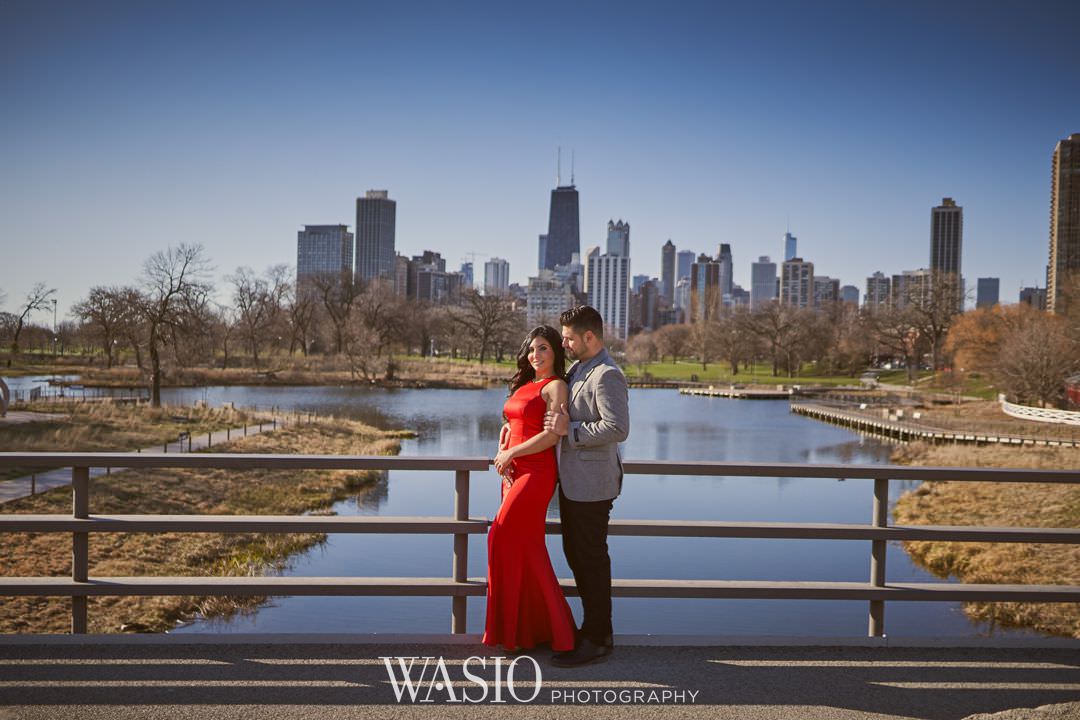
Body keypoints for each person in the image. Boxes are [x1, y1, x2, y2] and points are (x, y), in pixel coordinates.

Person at [544, 305, 629, 668]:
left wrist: (571, 433)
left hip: (593, 487)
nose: (563, 344)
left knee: (591, 561)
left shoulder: (607, 375)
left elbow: (618, 428)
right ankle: (592, 629)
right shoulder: (581, 368)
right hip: (575, 484)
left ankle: (597, 638)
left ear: (589, 337)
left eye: (568, 338)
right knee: (578, 557)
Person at [483, 325, 576, 653]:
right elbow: (514, 420)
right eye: (533, 349)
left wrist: (511, 453)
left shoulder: (556, 387)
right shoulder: (526, 383)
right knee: (526, 548)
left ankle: (548, 629)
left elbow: (552, 436)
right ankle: (534, 631)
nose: (536, 355)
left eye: (544, 349)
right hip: (512, 471)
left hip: (536, 473)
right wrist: (504, 438)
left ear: (556, 353)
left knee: (500, 534)